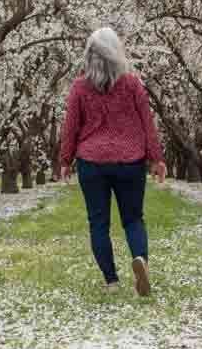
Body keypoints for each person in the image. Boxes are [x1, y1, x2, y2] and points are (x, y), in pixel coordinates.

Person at [58, 27, 166, 296]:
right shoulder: (132, 84)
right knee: (133, 219)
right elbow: (147, 123)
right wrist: (156, 158)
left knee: (98, 223)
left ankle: (111, 281)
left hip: (92, 161)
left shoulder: (80, 87)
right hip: (130, 160)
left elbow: (70, 126)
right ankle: (141, 260)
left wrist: (65, 159)